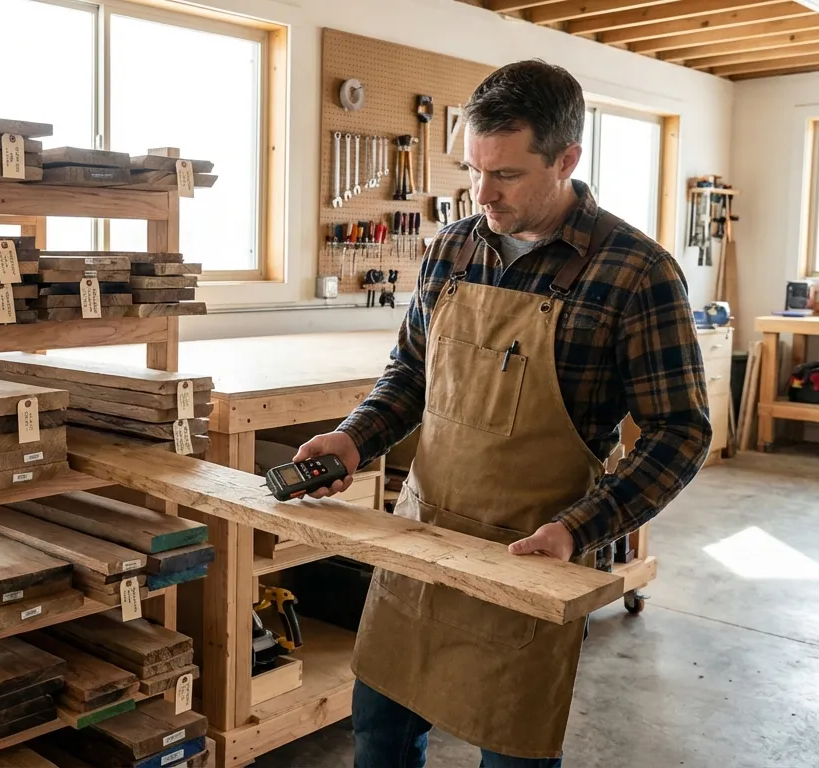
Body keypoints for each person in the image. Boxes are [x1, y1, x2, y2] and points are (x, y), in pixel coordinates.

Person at [291, 60, 712, 767]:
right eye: (471, 169)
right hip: (424, 537)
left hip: (534, 553)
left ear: (567, 159)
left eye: (506, 175)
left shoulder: (636, 272)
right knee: (380, 733)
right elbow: (411, 374)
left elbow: (680, 433)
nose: (480, 193)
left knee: (512, 754)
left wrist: (579, 530)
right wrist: (355, 437)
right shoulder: (452, 249)